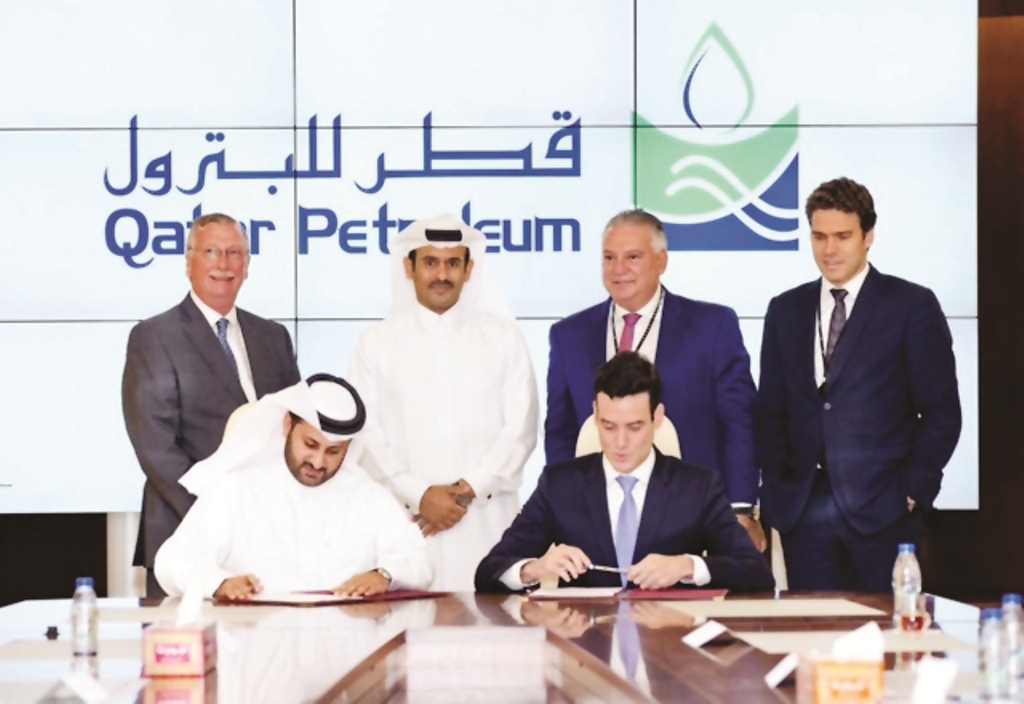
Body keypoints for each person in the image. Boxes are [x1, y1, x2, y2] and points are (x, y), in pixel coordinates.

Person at [755, 177, 962, 591]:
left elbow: (941, 413)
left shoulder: (911, 305)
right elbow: (771, 411)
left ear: (868, 236)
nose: (829, 249)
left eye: (842, 236)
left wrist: (912, 493)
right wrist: (779, 485)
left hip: (885, 513)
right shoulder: (785, 309)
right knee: (813, 644)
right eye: (819, 236)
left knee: (883, 642)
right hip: (803, 513)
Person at [545, 209, 764, 550]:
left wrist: (740, 508)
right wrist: (562, 509)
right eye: (609, 258)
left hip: (695, 519)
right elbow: (560, 431)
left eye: (633, 257)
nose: (619, 270)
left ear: (662, 261)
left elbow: (739, 423)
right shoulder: (568, 336)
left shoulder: (712, 326)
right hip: (597, 523)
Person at [475, 352, 774, 593]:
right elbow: (489, 571)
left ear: (657, 417)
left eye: (634, 427)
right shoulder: (560, 484)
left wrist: (687, 566)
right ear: (594, 414)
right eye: (608, 426)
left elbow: (756, 573)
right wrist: (533, 569)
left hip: (668, 649)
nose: (620, 443)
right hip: (584, 649)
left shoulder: (697, 487)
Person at [349, 213, 539, 592]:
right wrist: (419, 496)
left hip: (486, 526)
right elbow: (366, 439)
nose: (442, 274)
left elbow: (521, 431)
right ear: (409, 267)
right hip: (406, 526)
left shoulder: (504, 339)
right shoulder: (375, 343)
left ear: (469, 270)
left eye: (453, 263)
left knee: (492, 639)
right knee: (404, 635)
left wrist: (465, 492)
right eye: (431, 262)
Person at [122, 213, 301, 597]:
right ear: (189, 263)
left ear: (247, 266)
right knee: (185, 655)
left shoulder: (273, 337)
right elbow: (156, 447)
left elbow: (296, 429)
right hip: (186, 531)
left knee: (266, 654)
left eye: (234, 252)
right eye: (212, 252)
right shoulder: (154, 336)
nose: (223, 264)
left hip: (267, 535)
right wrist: (217, 515)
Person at [154, 374, 431, 598]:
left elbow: (418, 560)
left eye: (334, 452)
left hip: (343, 650)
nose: (319, 462)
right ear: (287, 425)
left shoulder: (368, 496)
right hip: (259, 650)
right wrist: (220, 583)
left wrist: (383, 576)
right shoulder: (238, 489)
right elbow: (173, 560)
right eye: (310, 445)